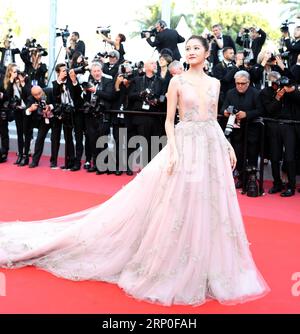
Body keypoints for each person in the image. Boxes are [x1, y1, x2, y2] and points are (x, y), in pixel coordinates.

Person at [0, 35, 269, 306]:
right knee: (176, 203)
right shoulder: (177, 81)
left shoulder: (214, 83)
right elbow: (168, 121)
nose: (190, 52)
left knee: (207, 204)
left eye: (196, 48)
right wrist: (174, 149)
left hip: (210, 146)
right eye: (187, 48)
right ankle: (172, 263)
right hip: (184, 144)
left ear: (208, 52)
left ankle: (208, 267)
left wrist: (226, 145)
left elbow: (212, 118)